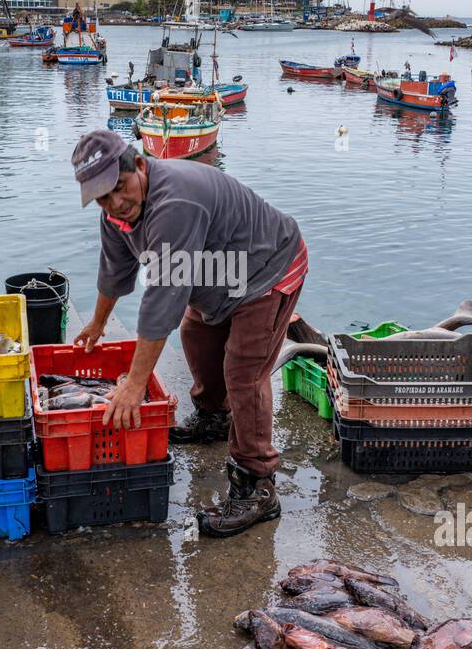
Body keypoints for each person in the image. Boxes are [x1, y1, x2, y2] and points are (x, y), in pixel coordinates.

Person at [71, 130, 307, 538]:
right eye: (104, 198)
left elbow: (161, 298)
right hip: (220, 272)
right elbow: (114, 272)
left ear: (140, 167)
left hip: (268, 267)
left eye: (121, 189)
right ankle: (213, 419)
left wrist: (134, 384)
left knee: (244, 372)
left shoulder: (175, 202)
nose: (117, 204)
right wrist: (97, 323)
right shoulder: (116, 214)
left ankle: (258, 484)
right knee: (196, 332)